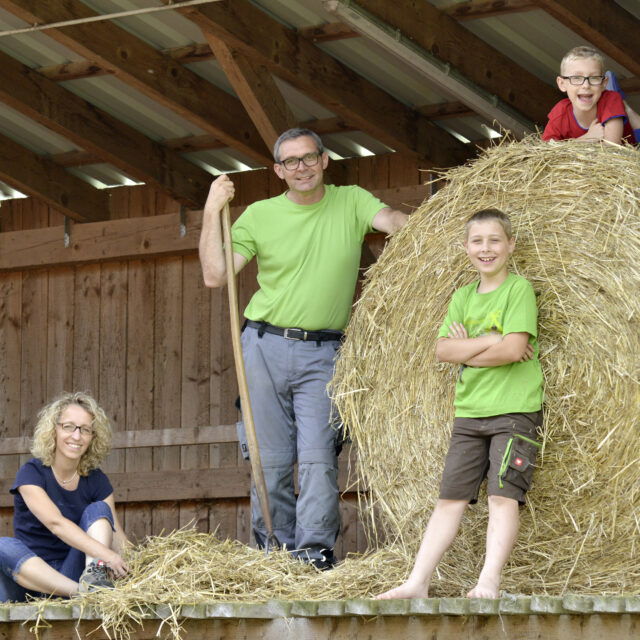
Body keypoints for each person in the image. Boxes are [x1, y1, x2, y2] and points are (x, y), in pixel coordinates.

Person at [199, 127, 408, 569]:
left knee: (318, 457)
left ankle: (313, 553)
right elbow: (215, 275)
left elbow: (393, 222)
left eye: (309, 157)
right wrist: (211, 211)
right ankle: (274, 554)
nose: (302, 167)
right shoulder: (259, 215)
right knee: (269, 459)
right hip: (264, 346)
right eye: (291, 161)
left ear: (325, 160)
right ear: (279, 171)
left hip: (325, 351)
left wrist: (446, 226)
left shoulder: (351, 201)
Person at [378, 208, 543, 599]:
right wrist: (490, 341)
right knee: (449, 499)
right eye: (477, 241)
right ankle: (418, 582)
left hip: (514, 411)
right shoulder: (462, 297)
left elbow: (514, 349)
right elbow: (443, 350)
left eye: (494, 240)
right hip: (469, 413)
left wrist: (469, 349)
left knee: (503, 496)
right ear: (465, 247)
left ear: (510, 245)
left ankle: (488, 582)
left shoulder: (517, 290)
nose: (486, 249)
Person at [0, 392, 129, 601]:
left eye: (85, 429)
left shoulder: (97, 480)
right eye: (68, 427)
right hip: (31, 577)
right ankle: (84, 593)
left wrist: (143, 568)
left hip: (73, 570)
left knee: (99, 509)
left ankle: (94, 580)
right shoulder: (31, 473)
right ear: (54, 430)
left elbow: (117, 537)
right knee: (3, 545)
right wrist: (107, 555)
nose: (77, 436)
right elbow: (56, 524)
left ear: (93, 437)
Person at [542, 45, 639, 143]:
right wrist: (587, 138)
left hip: (635, 141)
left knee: (621, 105)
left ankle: (625, 107)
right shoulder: (560, 112)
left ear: (603, 83)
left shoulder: (611, 99)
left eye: (594, 78)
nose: (586, 85)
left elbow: (612, 147)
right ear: (562, 84)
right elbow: (546, 149)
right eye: (577, 78)